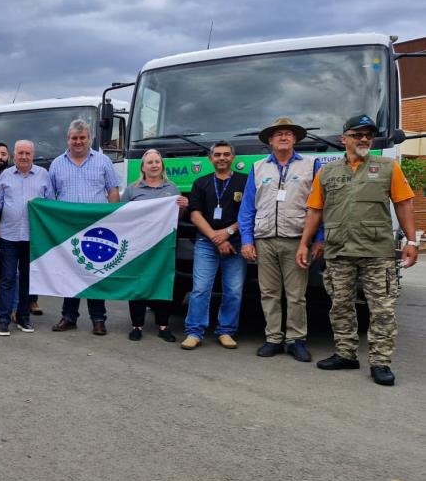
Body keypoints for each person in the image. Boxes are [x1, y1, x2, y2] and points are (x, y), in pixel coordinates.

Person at [297, 115, 419, 386]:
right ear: (344, 139)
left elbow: (404, 204)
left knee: (382, 309)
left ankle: (380, 362)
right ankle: (345, 353)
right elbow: (315, 210)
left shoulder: (387, 167)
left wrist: (411, 242)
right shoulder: (327, 172)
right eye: (357, 135)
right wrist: (304, 243)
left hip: (377, 251)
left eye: (368, 135)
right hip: (339, 250)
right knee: (340, 305)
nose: (364, 139)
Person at [237, 118, 323, 362]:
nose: (283, 137)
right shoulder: (258, 168)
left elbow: (320, 206)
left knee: (296, 295)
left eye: (288, 134)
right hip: (264, 240)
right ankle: (273, 338)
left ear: (295, 139)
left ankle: (296, 340)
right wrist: (247, 240)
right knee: (269, 293)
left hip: (297, 240)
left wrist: (319, 238)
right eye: (278, 134)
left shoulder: (311, 165)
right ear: (270, 141)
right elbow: (247, 208)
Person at [49, 119, 120, 335]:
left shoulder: (103, 161)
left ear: (89, 139)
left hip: (96, 227)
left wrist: (113, 218)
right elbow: (50, 196)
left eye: (82, 138)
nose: (78, 142)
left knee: (95, 271)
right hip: (67, 228)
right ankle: (68, 317)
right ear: (68, 140)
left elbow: (113, 190)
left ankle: (98, 319)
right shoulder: (56, 164)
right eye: (74, 138)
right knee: (70, 272)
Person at [179, 141, 248, 350]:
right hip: (206, 243)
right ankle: (194, 332)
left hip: (235, 243)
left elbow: (249, 213)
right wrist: (216, 238)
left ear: (233, 158)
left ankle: (226, 331)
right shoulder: (201, 183)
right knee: (200, 289)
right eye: (217, 155)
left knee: (234, 290)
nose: (222, 158)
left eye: (226, 154)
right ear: (210, 159)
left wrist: (227, 234)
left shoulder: (245, 181)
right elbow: (195, 214)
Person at [119, 149, 188, 342]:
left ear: (162, 165)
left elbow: (177, 217)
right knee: (138, 283)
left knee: (162, 282)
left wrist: (183, 207)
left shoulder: (171, 188)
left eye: (157, 162)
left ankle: (163, 326)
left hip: (163, 246)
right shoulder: (132, 190)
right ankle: (137, 325)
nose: (154, 165)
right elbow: (121, 215)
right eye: (150, 162)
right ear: (143, 167)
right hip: (138, 245)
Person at [0, 140, 53, 336]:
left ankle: (23, 318)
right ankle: (3, 319)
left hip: (32, 237)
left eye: (28, 153)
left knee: (27, 279)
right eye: (20, 153)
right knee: (8, 279)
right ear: (14, 155)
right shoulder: (6, 175)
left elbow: (50, 203)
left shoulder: (43, 175)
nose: (24, 157)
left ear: (33, 155)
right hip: (9, 236)